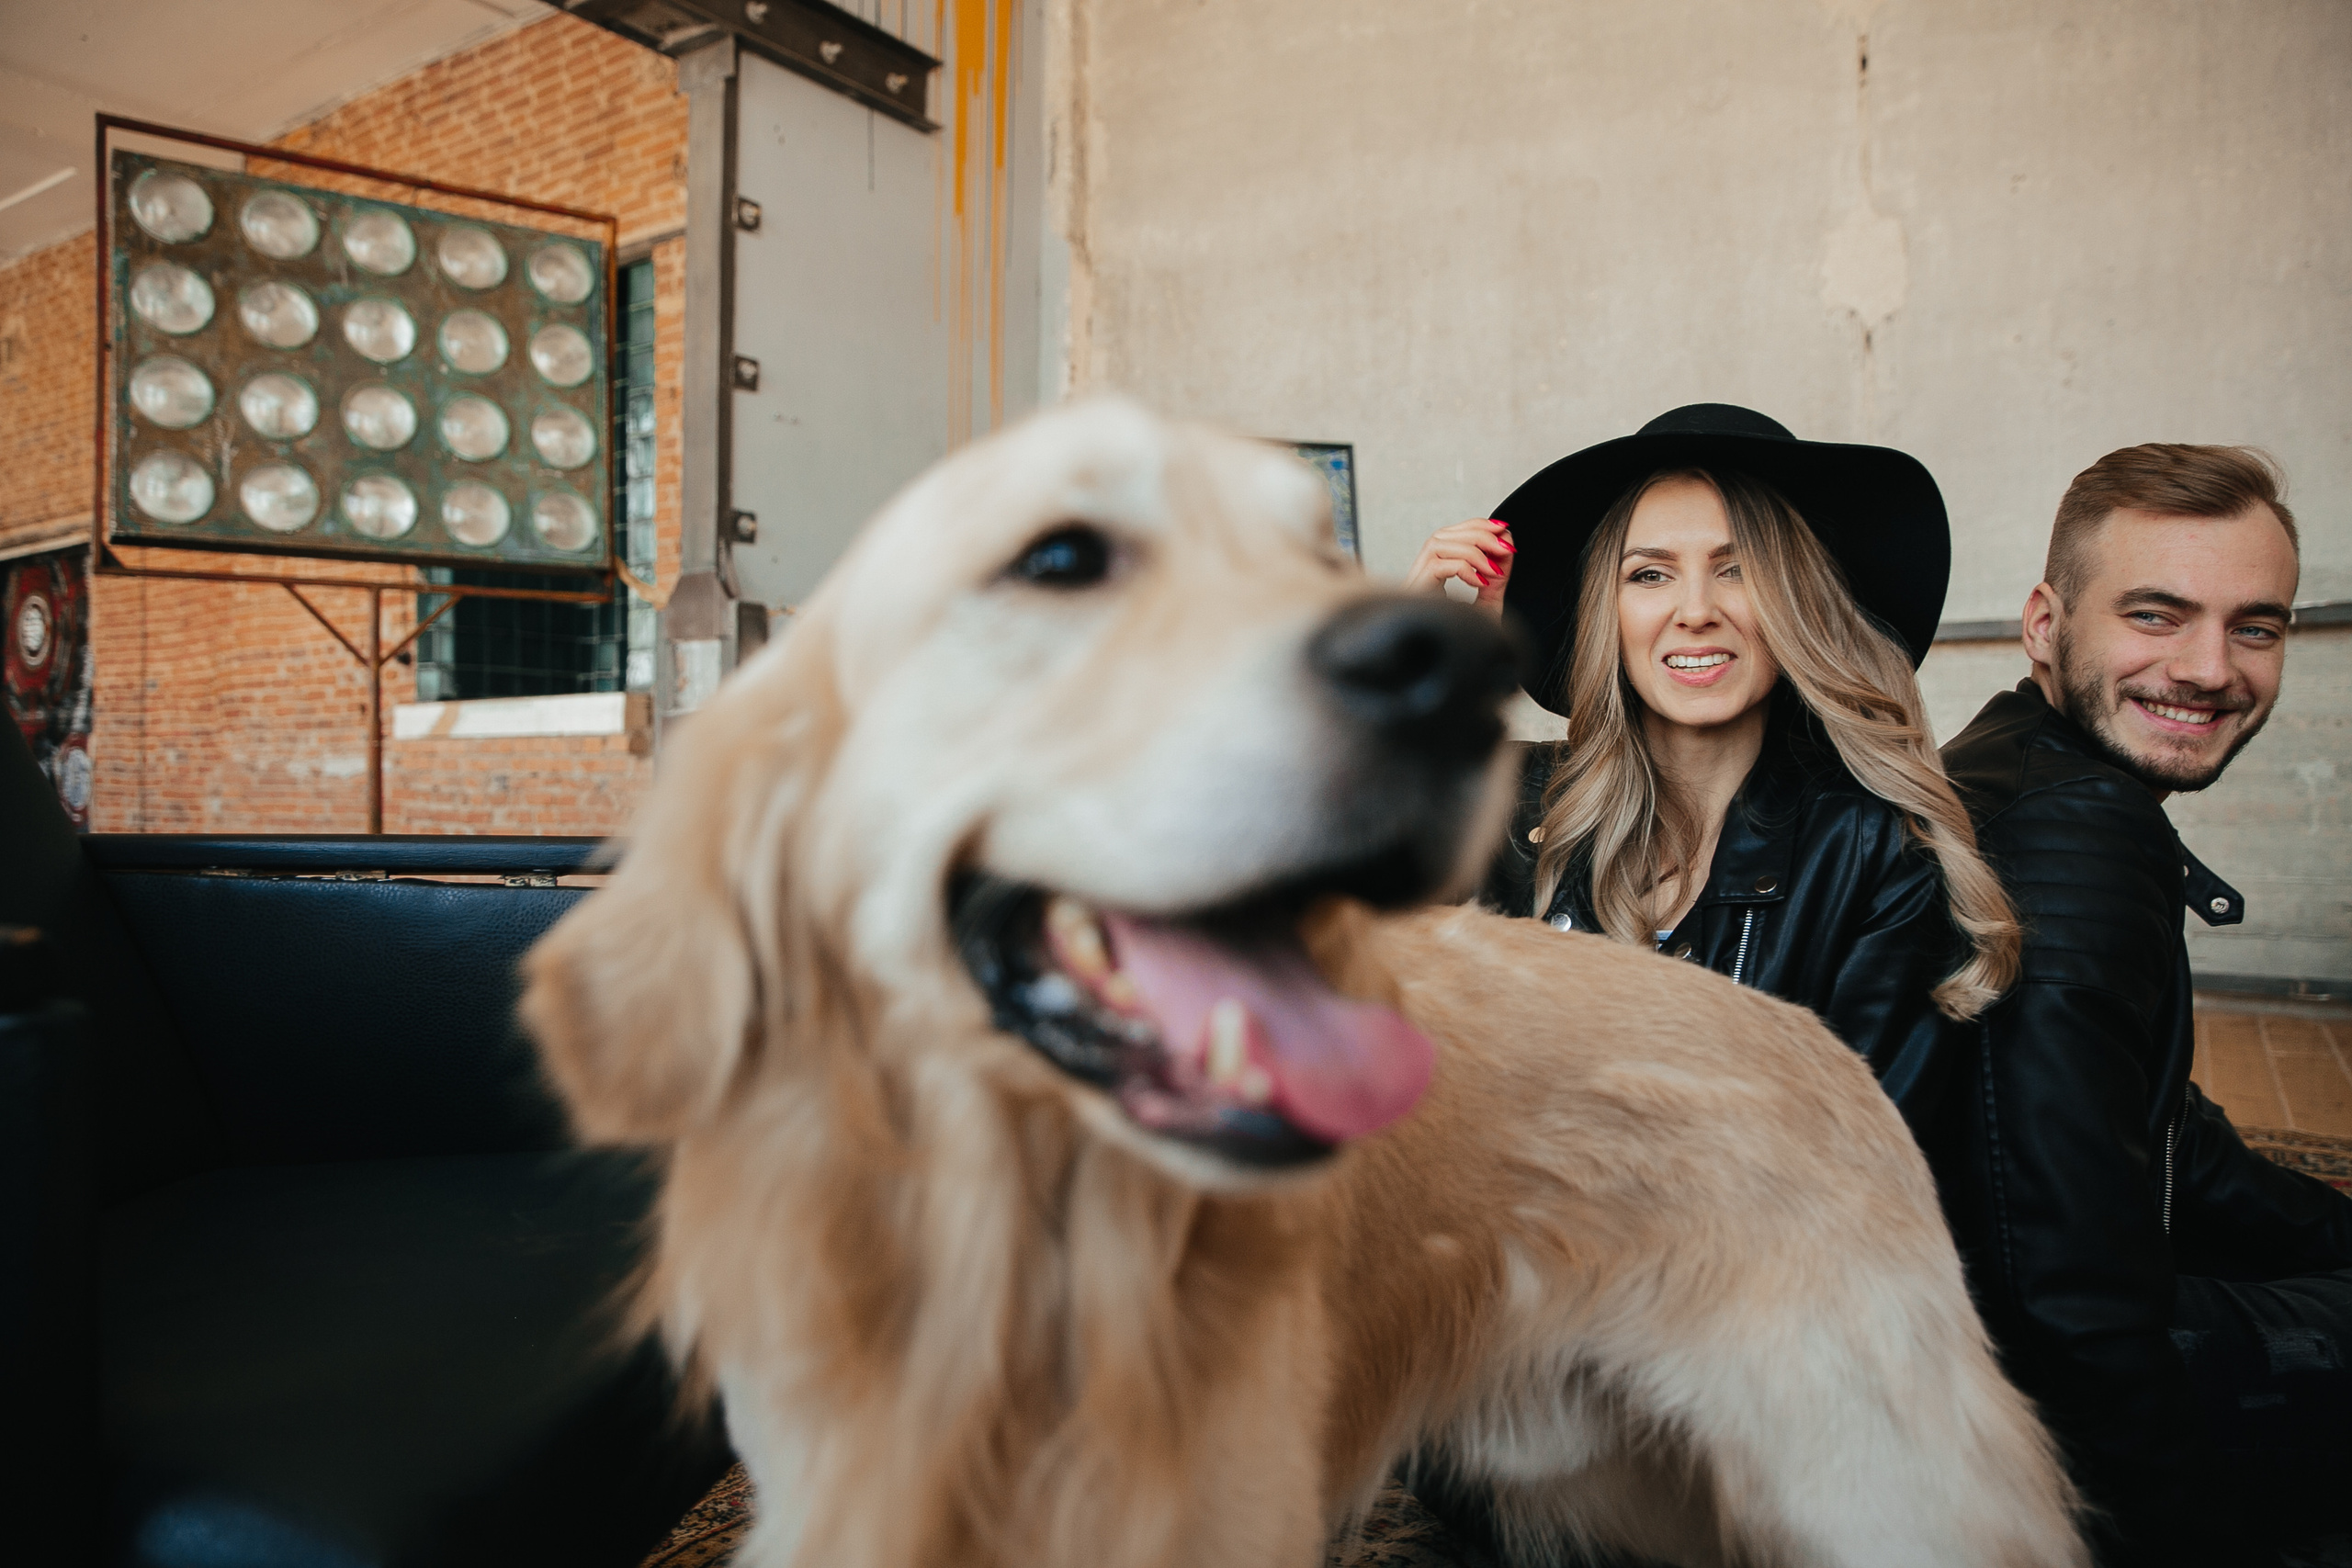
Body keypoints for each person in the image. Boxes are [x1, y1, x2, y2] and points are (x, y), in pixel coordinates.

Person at [1937, 444, 2352, 1565]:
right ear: (2043, 624)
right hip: (2002, 1410)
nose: (2209, 668)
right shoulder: (2075, 835)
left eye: (2254, 627)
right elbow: (2063, 1314)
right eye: (2156, 615)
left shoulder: (2016, 761)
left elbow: (2158, 1132)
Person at [1416, 403, 2016, 1140]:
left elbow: (1859, 1167)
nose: (1695, 610)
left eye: (1737, 569)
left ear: (1797, 603)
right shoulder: (1508, 806)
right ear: (1607, 612)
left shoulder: (1876, 852)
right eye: (1650, 573)